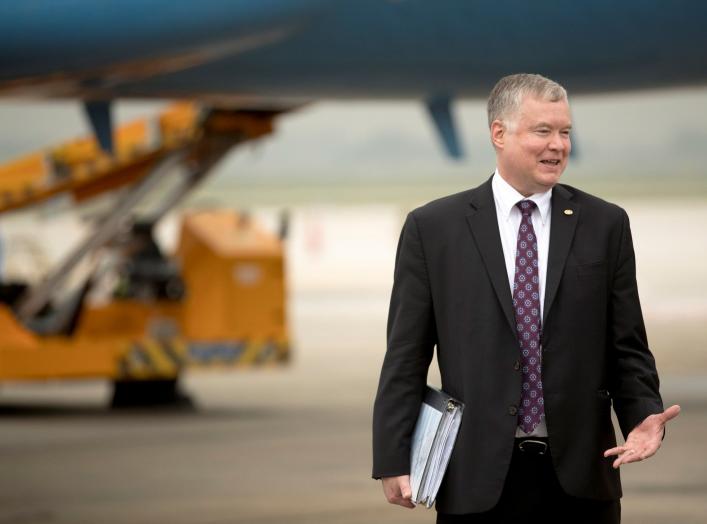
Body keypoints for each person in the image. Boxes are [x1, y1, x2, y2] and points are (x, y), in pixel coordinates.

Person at [371, 73, 680, 523]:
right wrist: (393, 455)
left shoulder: (605, 224)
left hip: (581, 478)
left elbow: (626, 345)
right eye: (543, 131)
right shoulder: (434, 229)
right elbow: (405, 354)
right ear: (499, 133)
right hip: (477, 477)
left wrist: (642, 414)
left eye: (565, 132)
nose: (558, 145)